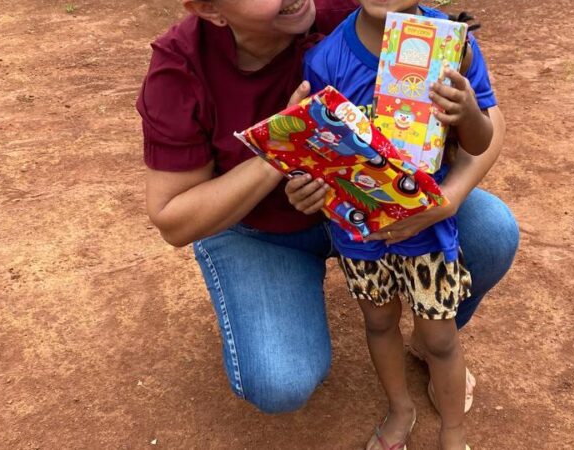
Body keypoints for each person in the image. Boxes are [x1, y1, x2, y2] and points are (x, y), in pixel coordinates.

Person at [137, 0, 518, 418]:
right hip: (267, 231)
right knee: (279, 379)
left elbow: (489, 119)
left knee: (492, 233)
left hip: (383, 208)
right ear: (210, 10)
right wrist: (283, 149)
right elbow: (173, 220)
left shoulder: (362, 10)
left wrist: (450, 199)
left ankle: (434, 341)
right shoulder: (181, 67)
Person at [302, 1, 494, 448]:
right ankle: (401, 409)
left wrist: (465, 109)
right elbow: (319, 149)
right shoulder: (326, 59)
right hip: (360, 229)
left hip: (426, 225)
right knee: (379, 320)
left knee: (440, 337)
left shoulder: (454, 44)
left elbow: (480, 141)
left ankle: (452, 430)